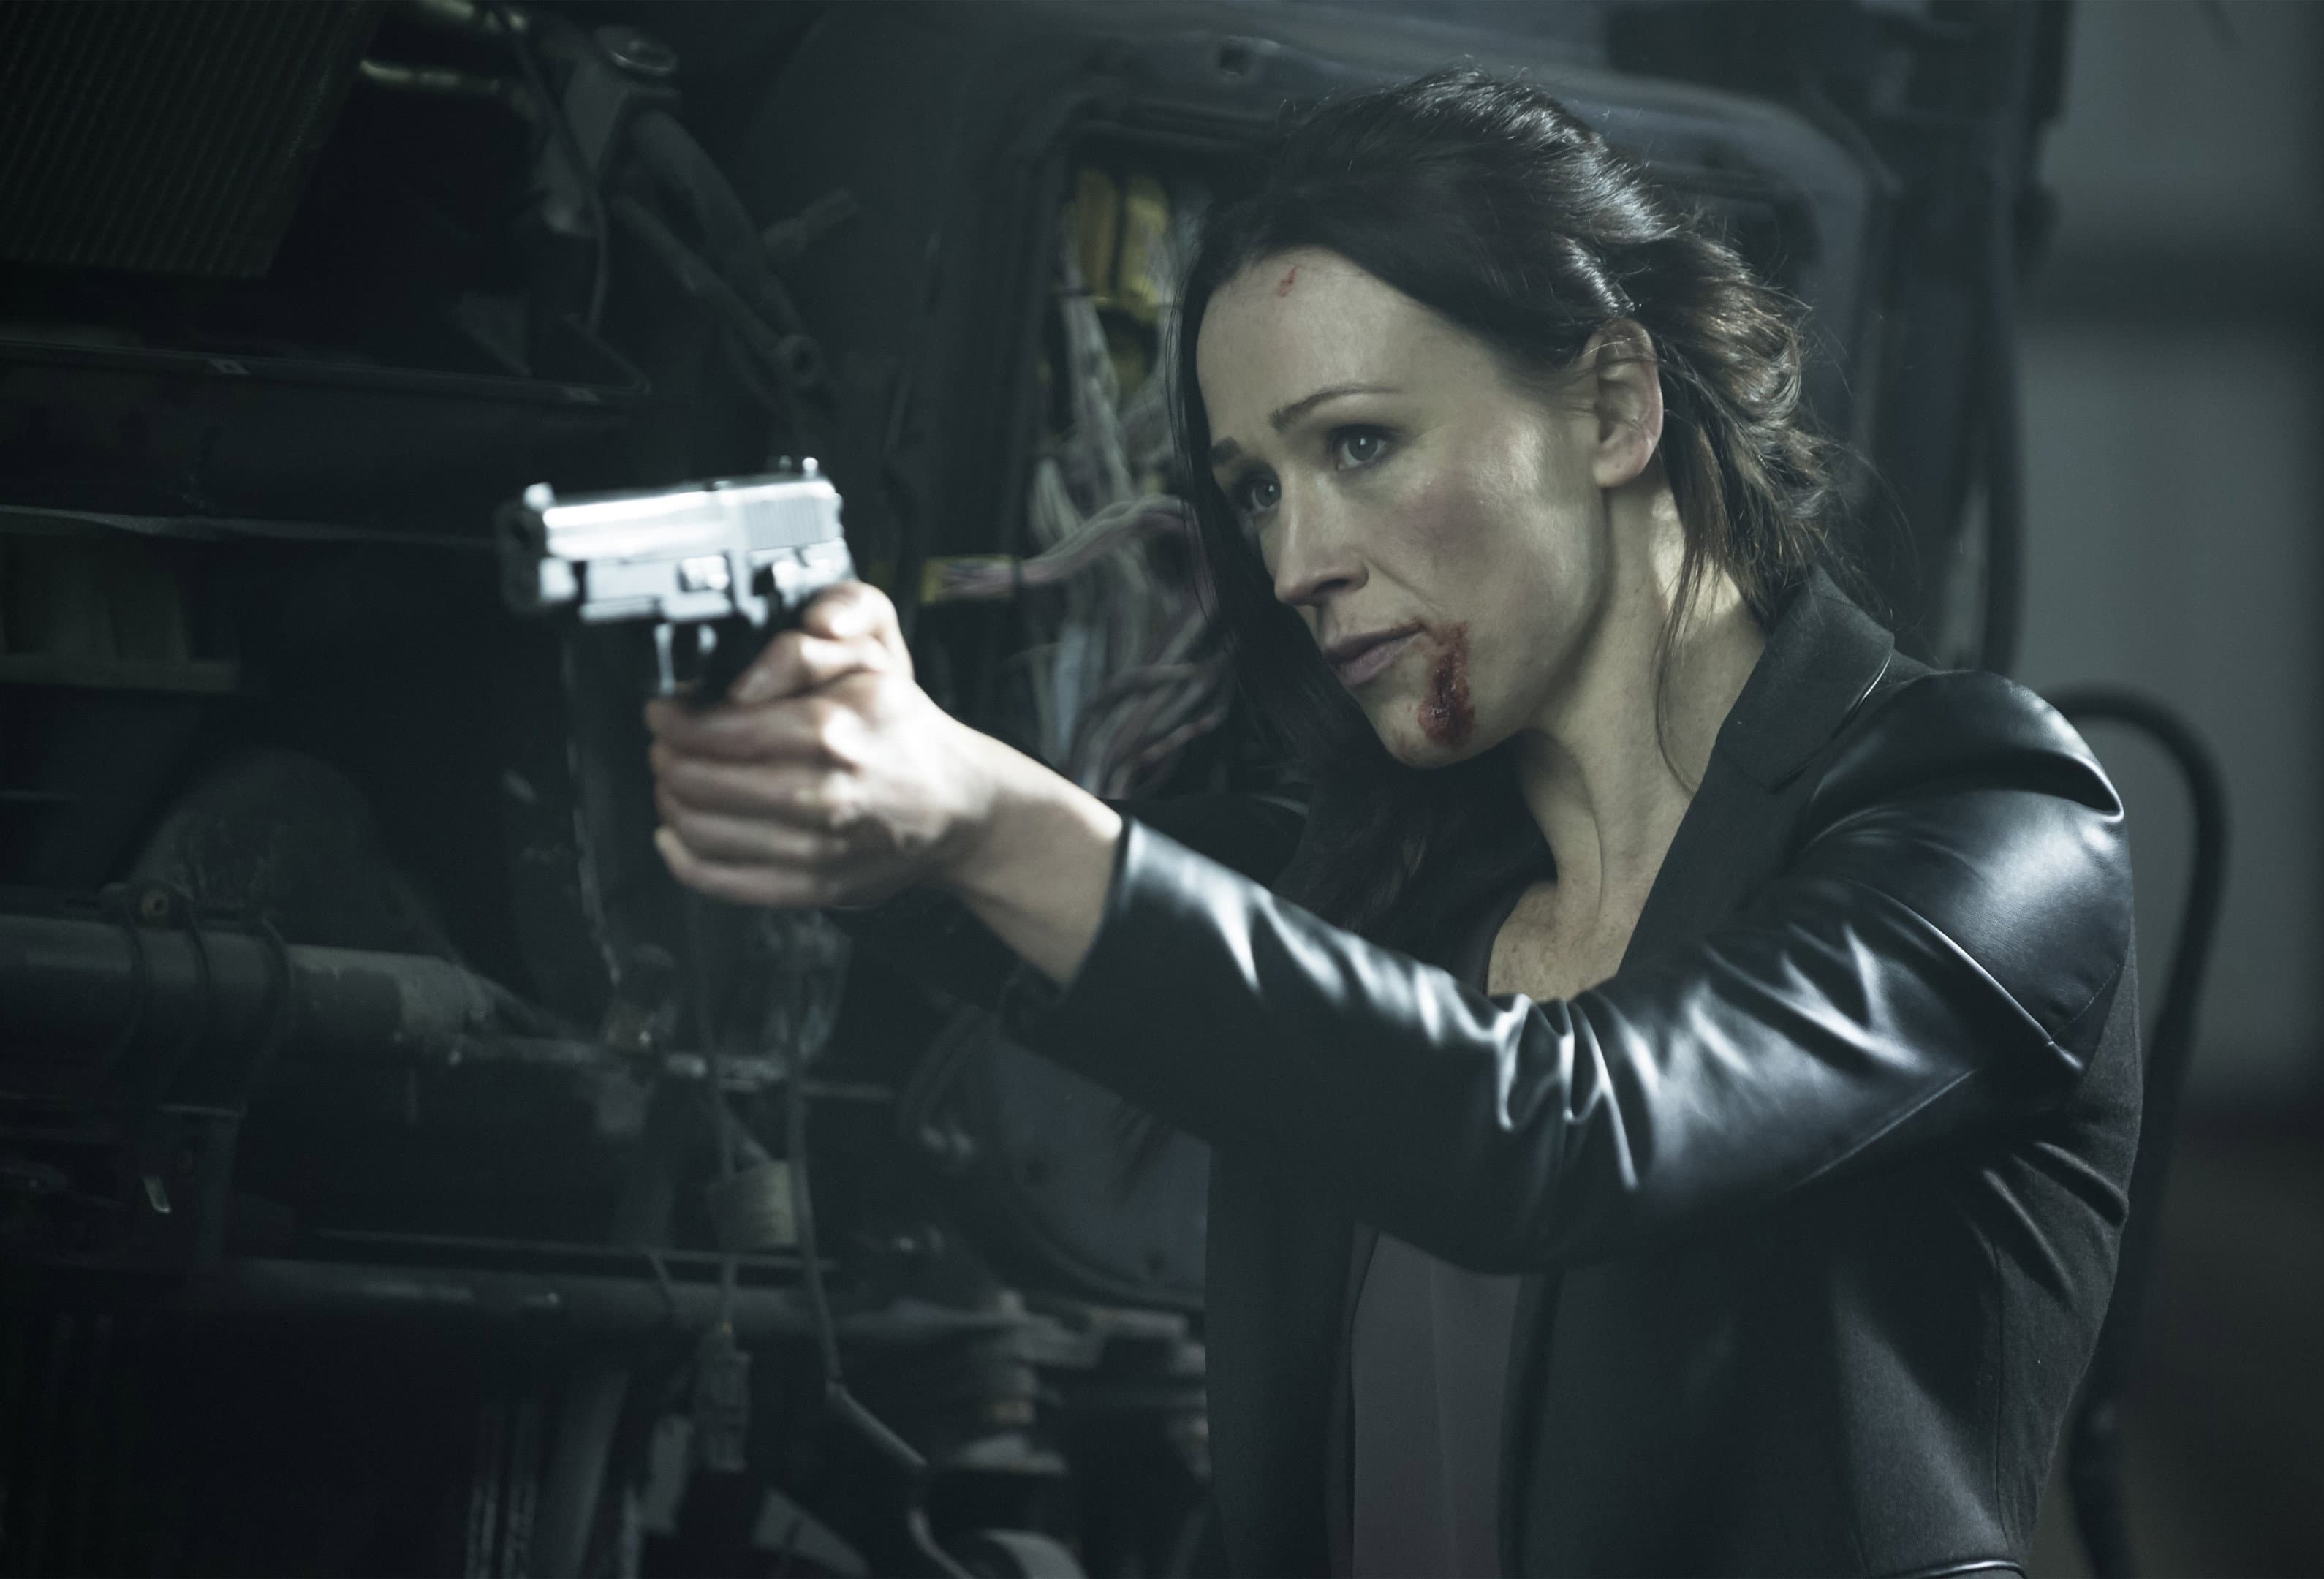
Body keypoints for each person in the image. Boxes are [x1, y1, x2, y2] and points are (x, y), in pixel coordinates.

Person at [643, 69, 2138, 1579]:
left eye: (1357, 444)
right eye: (1255, 490)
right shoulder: (1389, 900)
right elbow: (1056, 924)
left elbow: (1567, 1137)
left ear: (1615, 407)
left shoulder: (1990, 823)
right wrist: (804, 735)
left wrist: (982, 812)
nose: (1296, 561)